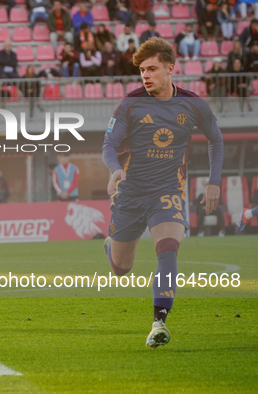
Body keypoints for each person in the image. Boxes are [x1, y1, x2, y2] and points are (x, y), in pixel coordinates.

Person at [102, 37, 224, 349]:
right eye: (142, 70)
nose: (145, 75)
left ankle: (159, 323)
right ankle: (110, 246)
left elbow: (216, 138)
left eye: (152, 68)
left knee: (168, 247)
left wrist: (213, 182)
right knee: (120, 268)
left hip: (167, 190)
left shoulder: (193, 105)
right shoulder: (129, 104)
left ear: (171, 68)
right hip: (130, 194)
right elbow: (110, 146)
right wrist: (115, 169)